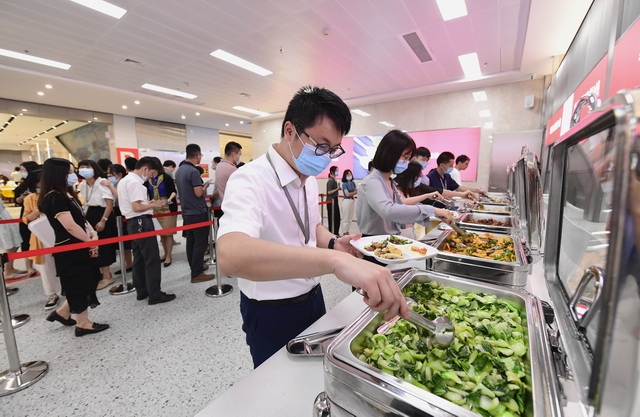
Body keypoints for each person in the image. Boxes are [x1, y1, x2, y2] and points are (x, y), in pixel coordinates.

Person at [217, 86, 408, 368]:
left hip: (313, 298)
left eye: (333, 150)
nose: (326, 156)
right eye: (321, 146)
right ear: (290, 130)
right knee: (277, 383)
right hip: (271, 310)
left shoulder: (305, 178)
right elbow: (230, 256)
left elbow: (309, 226)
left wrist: (333, 243)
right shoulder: (249, 179)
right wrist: (333, 261)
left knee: (317, 373)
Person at [40, 158, 109, 336]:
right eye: (70, 172)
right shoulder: (54, 197)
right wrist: (89, 242)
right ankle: (83, 323)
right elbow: (70, 226)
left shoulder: (66, 194)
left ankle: (63, 313)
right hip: (70, 247)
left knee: (89, 279)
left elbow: (81, 219)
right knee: (80, 283)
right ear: (58, 174)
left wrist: (92, 233)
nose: (74, 175)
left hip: (80, 242)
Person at [356, 130, 454, 240]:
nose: (406, 162)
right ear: (389, 154)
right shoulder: (372, 181)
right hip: (373, 241)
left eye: (408, 158)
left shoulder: (390, 181)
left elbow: (400, 208)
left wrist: (433, 213)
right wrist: (431, 210)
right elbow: (389, 211)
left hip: (389, 239)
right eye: (404, 157)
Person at [117, 157, 176, 305]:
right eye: (151, 173)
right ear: (145, 169)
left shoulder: (125, 180)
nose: (151, 177)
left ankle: (142, 290)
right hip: (141, 221)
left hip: (133, 223)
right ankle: (155, 294)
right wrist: (153, 205)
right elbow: (137, 207)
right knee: (151, 258)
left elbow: (134, 204)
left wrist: (148, 203)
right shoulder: (135, 182)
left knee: (139, 258)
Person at [175, 144, 215, 283]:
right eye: (201, 155)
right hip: (197, 212)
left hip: (186, 212)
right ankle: (197, 273)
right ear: (197, 155)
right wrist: (205, 186)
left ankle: (195, 267)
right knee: (200, 242)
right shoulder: (193, 171)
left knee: (191, 241)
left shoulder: (180, 170)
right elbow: (198, 193)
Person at [78, 160, 117, 290]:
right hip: (89, 214)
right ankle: (100, 274)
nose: (84, 169)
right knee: (94, 246)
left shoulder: (102, 182)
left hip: (102, 214)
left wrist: (103, 220)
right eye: (81, 167)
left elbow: (109, 204)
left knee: (103, 246)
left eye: (87, 167)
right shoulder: (83, 184)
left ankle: (107, 276)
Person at [146, 157, 177, 267]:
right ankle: (165, 253)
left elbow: (173, 191)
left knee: (168, 233)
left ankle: (169, 255)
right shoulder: (148, 179)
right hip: (155, 207)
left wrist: (169, 199)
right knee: (161, 233)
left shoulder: (166, 177)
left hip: (167, 207)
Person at [13, 161, 41, 278]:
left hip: (40, 217)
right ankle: (29, 267)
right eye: (21, 170)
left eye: (24, 170)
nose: (22, 172)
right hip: (28, 213)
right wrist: (23, 198)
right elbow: (16, 200)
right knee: (26, 240)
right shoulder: (23, 185)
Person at [107, 164, 132, 274]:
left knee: (126, 241)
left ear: (119, 174)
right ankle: (127, 263)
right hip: (116, 213)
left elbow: (121, 198)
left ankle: (129, 263)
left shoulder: (124, 183)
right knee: (122, 241)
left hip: (124, 213)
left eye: (111, 174)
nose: (108, 176)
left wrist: (110, 187)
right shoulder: (114, 184)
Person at [340, 169, 357, 235]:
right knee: (345, 217)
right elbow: (347, 194)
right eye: (348, 174)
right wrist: (354, 192)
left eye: (350, 174)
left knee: (350, 218)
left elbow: (356, 190)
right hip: (346, 201)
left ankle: (347, 231)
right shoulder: (344, 184)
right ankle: (344, 231)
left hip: (352, 201)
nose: (349, 175)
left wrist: (353, 193)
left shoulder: (353, 183)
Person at [326, 166, 341, 234]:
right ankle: (332, 232)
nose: (338, 172)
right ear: (332, 172)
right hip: (331, 201)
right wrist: (337, 189)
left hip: (335, 200)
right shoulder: (330, 180)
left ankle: (336, 232)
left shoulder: (334, 180)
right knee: (332, 218)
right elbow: (329, 192)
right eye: (336, 171)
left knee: (337, 217)